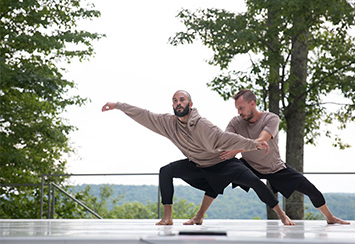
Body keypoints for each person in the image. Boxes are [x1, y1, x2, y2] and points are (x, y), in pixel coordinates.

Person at [102, 90, 294, 226]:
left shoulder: (203, 125)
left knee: (255, 182)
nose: (178, 103)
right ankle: (168, 217)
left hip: (222, 163)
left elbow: (226, 138)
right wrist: (118, 105)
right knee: (166, 171)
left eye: (182, 100)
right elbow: (144, 115)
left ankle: (282, 215)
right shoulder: (169, 123)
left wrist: (253, 144)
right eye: (175, 101)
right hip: (199, 165)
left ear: (190, 104)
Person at [186, 89, 350, 225]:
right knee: (219, 180)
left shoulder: (271, 118)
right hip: (249, 165)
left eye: (241, 108)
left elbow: (262, 140)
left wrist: (236, 150)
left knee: (311, 190)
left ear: (252, 104)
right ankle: (199, 216)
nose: (239, 112)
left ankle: (330, 217)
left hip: (275, 167)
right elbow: (226, 141)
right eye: (237, 109)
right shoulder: (236, 122)